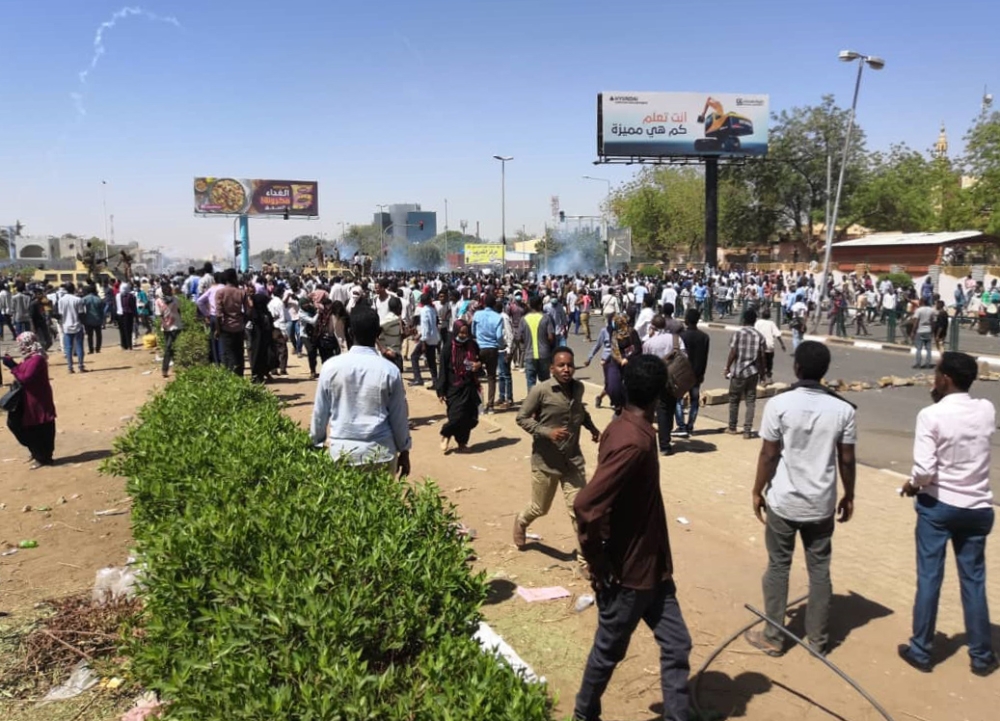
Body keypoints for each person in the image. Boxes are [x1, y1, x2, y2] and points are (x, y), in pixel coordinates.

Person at [572, 354, 691, 721]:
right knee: (608, 651)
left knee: (677, 643)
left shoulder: (625, 425)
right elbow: (587, 505)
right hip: (628, 574)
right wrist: (599, 562)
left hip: (653, 566)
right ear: (659, 396)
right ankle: (583, 714)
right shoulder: (633, 443)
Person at [745, 341, 856, 658]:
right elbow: (846, 460)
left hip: (784, 501)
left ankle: (774, 637)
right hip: (820, 504)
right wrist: (849, 494)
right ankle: (818, 642)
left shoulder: (779, 405)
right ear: (824, 371)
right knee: (819, 570)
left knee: (778, 567)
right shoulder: (843, 410)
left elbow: (769, 454)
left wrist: (756, 490)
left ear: (797, 368)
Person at [898, 352, 997, 677]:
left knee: (930, 578)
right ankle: (982, 656)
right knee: (973, 581)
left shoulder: (931, 415)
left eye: (937, 374)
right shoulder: (986, 409)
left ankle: (921, 649)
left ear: (946, 379)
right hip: (978, 506)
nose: (933, 379)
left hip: (939, 506)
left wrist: (913, 485)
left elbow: (925, 470)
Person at [514, 348, 600, 559]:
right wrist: (547, 432)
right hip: (546, 461)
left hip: (572, 461)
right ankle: (522, 521)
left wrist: (592, 428)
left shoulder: (578, 388)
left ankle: (584, 559)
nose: (566, 369)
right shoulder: (541, 390)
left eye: (569, 365)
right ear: (552, 368)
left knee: (579, 510)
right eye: (561, 365)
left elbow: (580, 410)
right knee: (540, 507)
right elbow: (522, 417)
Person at [309, 305, 411, 476]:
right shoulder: (389, 370)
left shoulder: (330, 367)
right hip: (380, 453)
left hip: (341, 453)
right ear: (378, 333)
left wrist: (316, 444)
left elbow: (320, 413)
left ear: (349, 333)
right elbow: (399, 416)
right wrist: (404, 450)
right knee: (382, 502)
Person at [2, 332, 57, 469]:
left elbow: (26, 378)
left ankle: (43, 457)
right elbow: (23, 371)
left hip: (37, 398)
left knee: (40, 427)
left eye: (21, 344)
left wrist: (12, 367)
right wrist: (13, 363)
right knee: (15, 423)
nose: (20, 347)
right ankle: (35, 452)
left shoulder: (37, 359)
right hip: (27, 398)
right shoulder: (29, 357)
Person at [435, 320, 482, 453]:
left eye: (466, 333)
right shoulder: (448, 348)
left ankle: (462, 443)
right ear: (455, 331)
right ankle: (446, 434)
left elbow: (480, 361)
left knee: (469, 416)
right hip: (453, 387)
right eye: (461, 333)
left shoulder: (472, 345)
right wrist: (441, 391)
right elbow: (443, 371)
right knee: (456, 416)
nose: (463, 335)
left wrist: (478, 365)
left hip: (470, 386)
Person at [642, 315, 684, 457]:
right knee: (670, 407)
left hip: (656, 379)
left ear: (652, 326)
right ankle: (666, 439)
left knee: (660, 410)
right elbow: (685, 357)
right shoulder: (676, 339)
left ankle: (664, 444)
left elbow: (645, 362)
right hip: (674, 379)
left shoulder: (649, 343)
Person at [725, 308, 766, 438]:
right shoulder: (760, 336)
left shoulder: (737, 334)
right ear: (755, 321)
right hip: (753, 373)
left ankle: (732, 427)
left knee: (734, 400)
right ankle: (747, 430)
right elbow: (761, 358)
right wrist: (763, 374)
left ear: (744, 320)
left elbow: (733, 353)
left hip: (738, 372)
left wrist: (727, 367)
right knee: (750, 401)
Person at [674, 308, 709, 438]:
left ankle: (681, 425)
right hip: (697, 374)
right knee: (694, 400)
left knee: (678, 400)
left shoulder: (681, 336)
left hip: (683, 374)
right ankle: (690, 426)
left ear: (687, 320)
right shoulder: (704, 337)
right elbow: (705, 357)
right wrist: (702, 373)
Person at [472, 294, 504, 413]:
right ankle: (490, 405)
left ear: (484, 303)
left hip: (479, 347)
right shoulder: (498, 317)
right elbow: (499, 335)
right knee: (491, 377)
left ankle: (477, 403)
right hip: (492, 348)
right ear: (494, 304)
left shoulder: (477, 314)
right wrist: (501, 345)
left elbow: (473, 331)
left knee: (474, 374)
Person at [215, 269, 248, 376]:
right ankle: (240, 377)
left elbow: (219, 315)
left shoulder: (220, 292)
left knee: (228, 354)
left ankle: (231, 379)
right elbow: (248, 310)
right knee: (239, 354)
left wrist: (218, 329)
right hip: (239, 327)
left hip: (226, 328)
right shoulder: (241, 292)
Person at [521, 295, 555, 391]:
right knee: (545, 381)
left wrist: (527, 342)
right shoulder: (546, 318)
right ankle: (546, 402)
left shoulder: (524, 319)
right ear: (541, 305)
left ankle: (533, 403)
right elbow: (551, 337)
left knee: (531, 381)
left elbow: (519, 337)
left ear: (530, 306)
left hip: (529, 354)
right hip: (544, 353)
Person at [410, 292, 440, 387]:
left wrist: (422, 341)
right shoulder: (432, 309)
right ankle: (435, 381)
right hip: (434, 338)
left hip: (427, 339)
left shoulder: (423, 311)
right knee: (431, 360)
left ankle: (418, 378)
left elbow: (425, 327)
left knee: (414, 356)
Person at [57, 284, 87, 373]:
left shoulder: (61, 300)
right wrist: (84, 324)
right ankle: (80, 366)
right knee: (79, 347)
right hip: (77, 325)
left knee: (68, 348)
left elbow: (60, 313)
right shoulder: (78, 300)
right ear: (74, 289)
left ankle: (70, 367)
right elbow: (81, 313)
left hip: (66, 326)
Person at [155, 281, 182, 379]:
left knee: (170, 348)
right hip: (171, 327)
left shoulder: (161, 301)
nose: (169, 292)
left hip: (172, 326)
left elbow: (160, 315)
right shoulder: (173, 300)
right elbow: (160, 315)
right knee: (170, 348)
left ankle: (168, 369)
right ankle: (166, 369)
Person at [754, 307, 786, 383]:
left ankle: (761, 377)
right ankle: (768, 374)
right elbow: (778, 334)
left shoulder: (758, 323)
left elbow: (755, 333)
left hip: (760, 346)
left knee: (760, 362)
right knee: (769, 361)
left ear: (761, 315)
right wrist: (782, 344)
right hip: (769, 346)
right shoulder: (771, 323)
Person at [912, 297, 936, 369]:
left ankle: (918, 364)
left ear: (922, 302)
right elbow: (933, 321)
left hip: (920, 330)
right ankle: (928, 364)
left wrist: (913, 331)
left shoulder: (919, 310)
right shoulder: (932, 310)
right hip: (928, 330)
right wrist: (932, 331)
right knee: (928, 349)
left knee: (919, 349)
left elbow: (916, 322)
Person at [82, 285, 104, 354]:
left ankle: (91, 349)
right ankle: (98, 349)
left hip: (88, 320)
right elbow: (102, 311)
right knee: (98, 335)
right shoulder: (98, 299)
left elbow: (82, 310)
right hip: (98, 319)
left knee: (90, 336)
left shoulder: (84, 299)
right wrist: (103, 319)